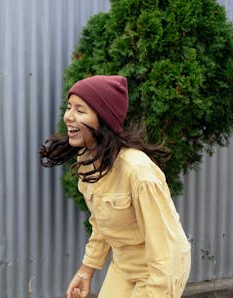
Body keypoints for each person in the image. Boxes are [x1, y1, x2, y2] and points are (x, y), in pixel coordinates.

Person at [40, 75, 190, 297]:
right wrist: (85, 271)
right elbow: (103, 222)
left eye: (80, 111)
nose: (68, 117)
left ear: (103, 120)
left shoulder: (138, 172)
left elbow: (164, 248)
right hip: (124, 266)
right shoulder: (87, 162)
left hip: (160, 270)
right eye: (69, 107)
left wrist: (157, 291)